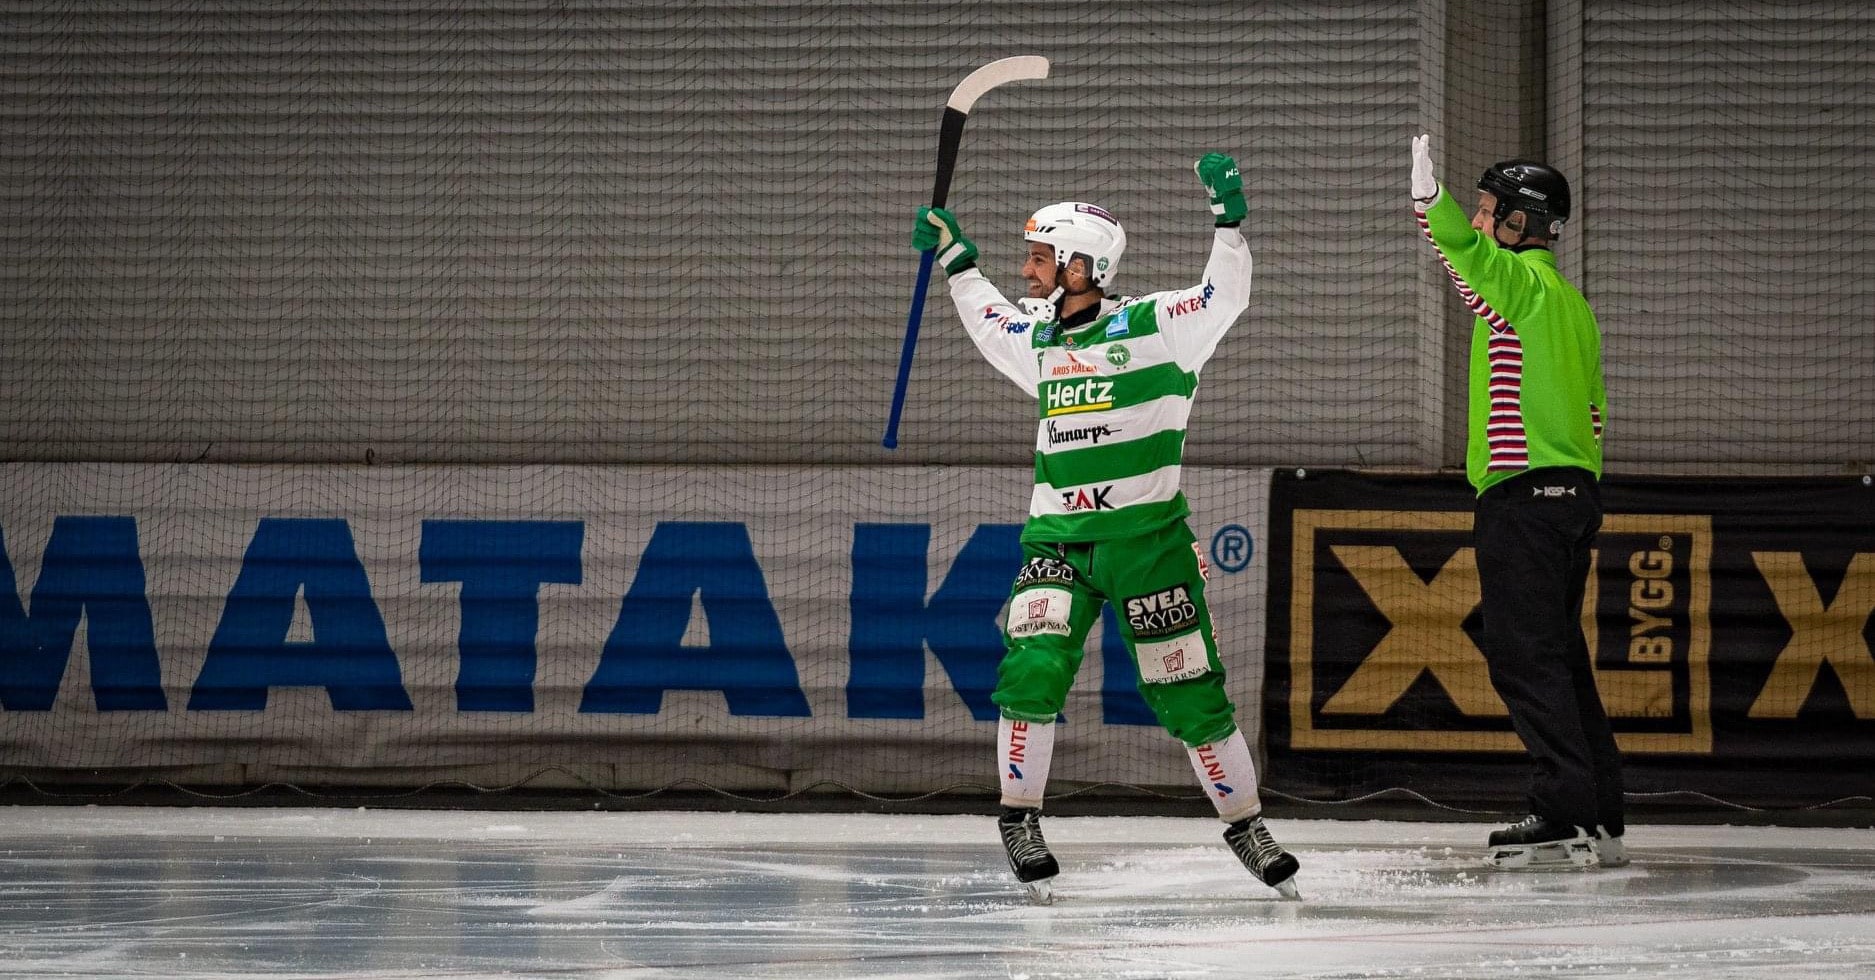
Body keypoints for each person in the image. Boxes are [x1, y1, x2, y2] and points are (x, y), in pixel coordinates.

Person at [910, 154, 1300, 902]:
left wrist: (1227, 224)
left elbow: (1224, 296)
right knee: (1031, 671)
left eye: (1038, 258)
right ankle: (1019, 818)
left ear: (1083, 265)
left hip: (1148, 547)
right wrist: (957, 262)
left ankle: (1246, 825)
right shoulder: (1037, 336)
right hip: (1056, 542)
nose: (1026, 271)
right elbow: (989, 322)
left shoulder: (1158, 327)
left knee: (1188, 691)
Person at [1410, 134, 1627, 870]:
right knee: (1560, 658)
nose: (1476, 219)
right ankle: (1599, 811)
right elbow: (1595, 413)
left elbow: (1465, 262)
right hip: (1572, 498)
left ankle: (1562, 811)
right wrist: (1578, 486)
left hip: (1521, 497)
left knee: (1523, 659)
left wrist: (1427, 204)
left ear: (1516, 221)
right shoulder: (1574, 306)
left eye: (1485, 208)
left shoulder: (1523, 290)